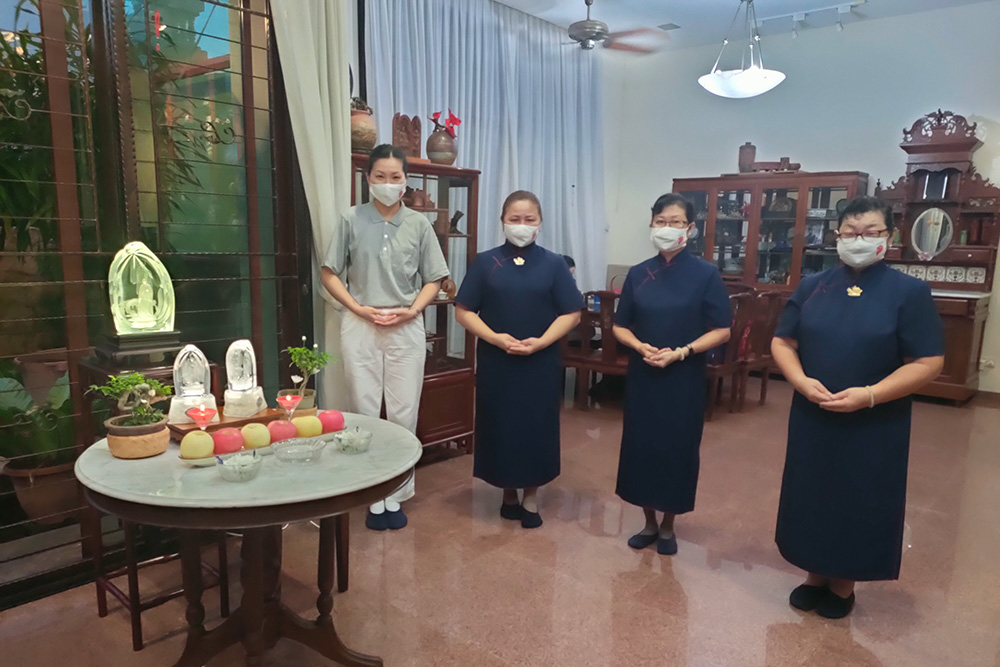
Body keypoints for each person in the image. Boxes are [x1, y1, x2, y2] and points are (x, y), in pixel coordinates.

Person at [772, 196, 944, 618]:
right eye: (850, 232)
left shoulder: (909, 292)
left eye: (870, 232)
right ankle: (814, 573)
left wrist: (870, 395)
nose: (858, 240)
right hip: (814, 412)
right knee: (812, 491)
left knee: (859, 495)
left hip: (875, 419)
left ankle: (844, 584)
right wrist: (800, 381)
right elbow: (783, 341)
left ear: (890, 236)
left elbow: (928, 362)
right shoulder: (813, 286)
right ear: (837, 236)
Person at [321, 144, 450, 531]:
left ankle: (395, 493)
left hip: (405, 326)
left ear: (406, 181)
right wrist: (357, 308)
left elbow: (434, 278)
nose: (388, 183)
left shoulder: (418, 224)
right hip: (360, 323)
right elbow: (329, 273)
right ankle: (369, 492)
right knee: (363, 410)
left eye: (396, 177)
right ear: (368, 179)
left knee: (403, 412)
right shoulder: (350, 219)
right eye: (380, 176)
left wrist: (413, 310)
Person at [455, 191, 582, 528]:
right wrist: (495, 338)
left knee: (535, 425)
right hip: (498, 360)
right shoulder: (486, 262)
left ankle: (531, 496)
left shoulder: (554, 263)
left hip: (540, 361)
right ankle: (507, 492)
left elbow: (572, 312)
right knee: (501, 424)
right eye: (515, 219)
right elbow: (463, 311)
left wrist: (542, 342)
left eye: (529, 219)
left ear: (540, 223)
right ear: (502, 221)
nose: (522, 225)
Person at [612, 193, 732, 555]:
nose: (667, 228)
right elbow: (620, 325)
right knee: (642, 446)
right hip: (644, 374)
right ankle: (648, 522)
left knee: (677, 448)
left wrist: (683, 351)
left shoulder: (705, 274)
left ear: (690, 228)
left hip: (684, 377)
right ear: (651, 225)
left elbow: (722, 329)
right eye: (661, 222)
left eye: (676, 222)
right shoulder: (638, 273)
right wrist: (640, 347)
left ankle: (668, 526)